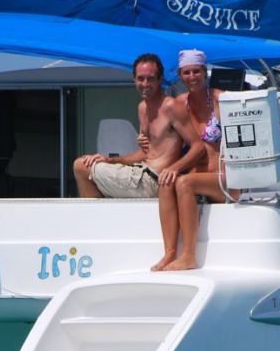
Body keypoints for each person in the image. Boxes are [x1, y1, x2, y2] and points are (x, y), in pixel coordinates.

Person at [152, 49, 238, 271]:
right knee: (166, 182)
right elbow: (161, 133)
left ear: (205, 71)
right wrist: (144, 138)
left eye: (196, 71)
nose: (192, 77)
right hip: (199, 178)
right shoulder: (180, 104)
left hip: (227, 180)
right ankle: (170, 252)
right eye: (187, 72)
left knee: (184, 182)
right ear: (180, 74)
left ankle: (189, 255)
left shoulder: (223, 100)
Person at [73, 53, 202, 198]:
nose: (145, 84)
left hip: (154, 180)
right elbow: (144, 153)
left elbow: (198, 146)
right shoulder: (142, 108)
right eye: (141, 78)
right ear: (134, 79)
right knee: (87, 162)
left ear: (160, 80)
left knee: (80, 166)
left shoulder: (171, 106)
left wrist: (174, 169)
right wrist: (110, 160)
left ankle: (94, 219)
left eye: (151, 79)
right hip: (140, 174)